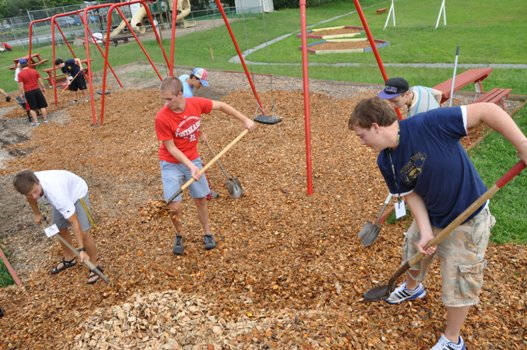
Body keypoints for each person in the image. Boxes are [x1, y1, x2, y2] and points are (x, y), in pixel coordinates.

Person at [348, 98, 527, 349]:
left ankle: (453, 340)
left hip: (467, 217)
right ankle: (412, 288)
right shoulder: (385, 161)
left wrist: (522, 145)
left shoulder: (430, 124)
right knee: (413, 247)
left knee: (460, 278)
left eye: (362, 136)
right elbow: (410, 194)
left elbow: (487, 110)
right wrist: (423, 232)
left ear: (376, 126)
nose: (362, 143)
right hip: (432, 215)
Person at [155, 77, 256, 255]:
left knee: (201, 199)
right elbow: (170, 148)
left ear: (180, 94)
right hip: (171, 163)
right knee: (174, 206)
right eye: (164, 99)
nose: (166, 103)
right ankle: (179, 234)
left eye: (169, 99)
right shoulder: (162, 117)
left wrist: (245, 119)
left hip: (192, 159)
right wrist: (190, 166)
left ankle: (207, 233)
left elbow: (222, 106)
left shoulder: (196, 104)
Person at [13, 170, 103, 284]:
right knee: (60, 228)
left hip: (76, 194)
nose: (35, 196)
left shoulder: (57, 195)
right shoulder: (28, 184)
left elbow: (74, 222)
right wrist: (37, 213)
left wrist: (81, 250)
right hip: (62, 194)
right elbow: (30, 198)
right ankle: (69, 258)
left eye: (35, 191)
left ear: (38, 181)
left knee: (84, 232)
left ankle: (95, 265)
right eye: (30, 194)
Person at [178, 67, 219, 199]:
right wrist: (200, 133)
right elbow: (190, 119)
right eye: (200, 83)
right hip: (183, 130)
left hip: (178, 127)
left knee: (184, 159)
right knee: (196, 164)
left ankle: (184, 175)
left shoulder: (183, 77)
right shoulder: (187, 95)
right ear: (194, 78)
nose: (201, 86)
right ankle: (206, 192)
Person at [378, 77, 442, 118]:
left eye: (395, 101)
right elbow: (439, 93)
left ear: (407, 94)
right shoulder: (417, 88)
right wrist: (437, 107)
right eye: (389, 100)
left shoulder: (414, 115)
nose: (391, 105)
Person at [17, 58, 48, 126]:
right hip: (37, 90)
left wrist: (21, 94)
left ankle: (36, 122)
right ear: (27, 63)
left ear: (20, 65)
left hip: (28, 92)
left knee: (32, 108)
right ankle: (45, 120)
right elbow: (40, 80)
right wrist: (43, 88)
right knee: (42, 106)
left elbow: (21, 86)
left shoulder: (20, 74)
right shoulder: (34, 71)